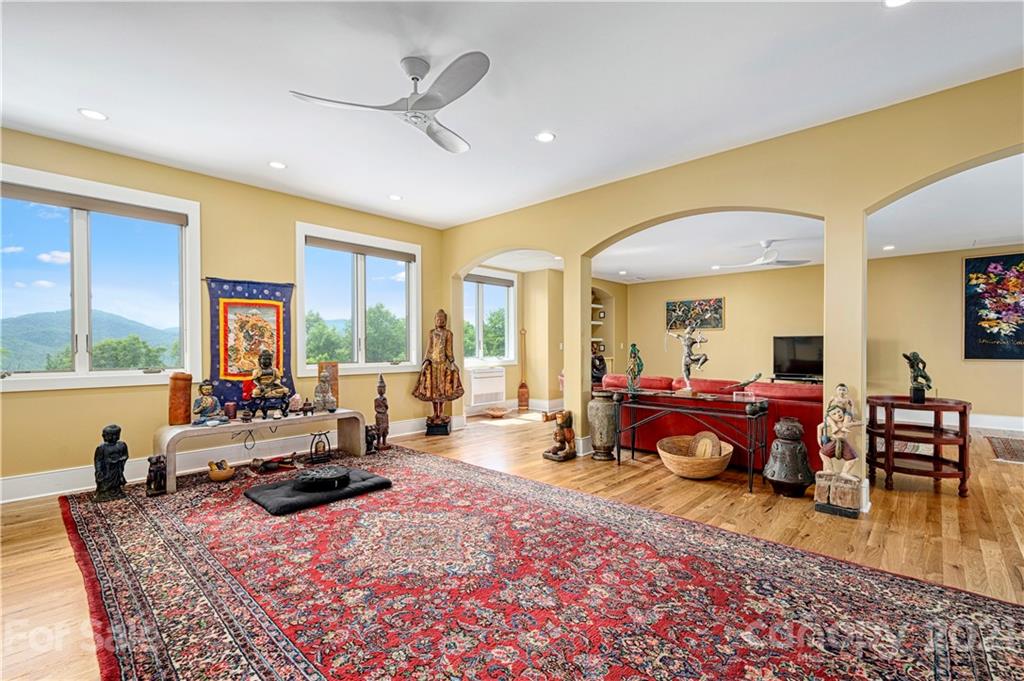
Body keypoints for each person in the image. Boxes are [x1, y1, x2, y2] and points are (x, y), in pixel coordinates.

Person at [413, 309, 464, 424]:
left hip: (443, 366)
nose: (440, 321)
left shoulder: (448, 334)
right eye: (438, 319)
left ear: (445, 321)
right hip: (433, 365)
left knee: (442, 390)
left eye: (442, 319)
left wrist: (452, 362)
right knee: (433, 391)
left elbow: (449, 350)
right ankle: (435, 413)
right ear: (434, 320)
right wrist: (426, 361)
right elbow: (429, 349)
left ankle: (441, 414)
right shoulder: (431, 333)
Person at [94, 424, 129, 502]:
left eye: (106, 435)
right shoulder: (101, 448)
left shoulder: (121, 445)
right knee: (105, 481)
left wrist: (119, 460)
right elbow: (98, 460)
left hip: (116, 468)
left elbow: (125, 455)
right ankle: (104, 493)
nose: (103, 436)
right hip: (106, 469)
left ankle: (116, 491)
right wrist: (98, 470)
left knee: (117, 481)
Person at [374, 373, 390, 449]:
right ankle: (378, 442)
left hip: (385, 415)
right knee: (379, 429)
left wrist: (385, 404)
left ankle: (384, 441)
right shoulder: (376, 399)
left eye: (383, 389)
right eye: (380, 389)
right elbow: (376, 408)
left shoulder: (385, 399)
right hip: (379, 416)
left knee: (385, 429)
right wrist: (381, 410)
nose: (382, 390)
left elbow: (387, 407)